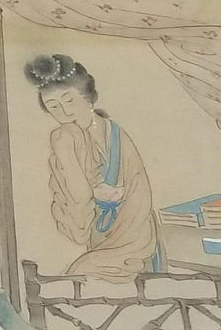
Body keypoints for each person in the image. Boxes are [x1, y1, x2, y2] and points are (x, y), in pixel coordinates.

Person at [25, 54, 163, 284]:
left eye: (69, 100)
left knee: (84, 272)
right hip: (99, 229)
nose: (63, 111)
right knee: (83, 273)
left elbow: (140, 187)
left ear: (87, 97)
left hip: (134, 227)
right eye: (53, 106)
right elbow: (76, 192)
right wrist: (96, 192)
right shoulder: (63, 137)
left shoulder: (116, 133)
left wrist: (119, 196)